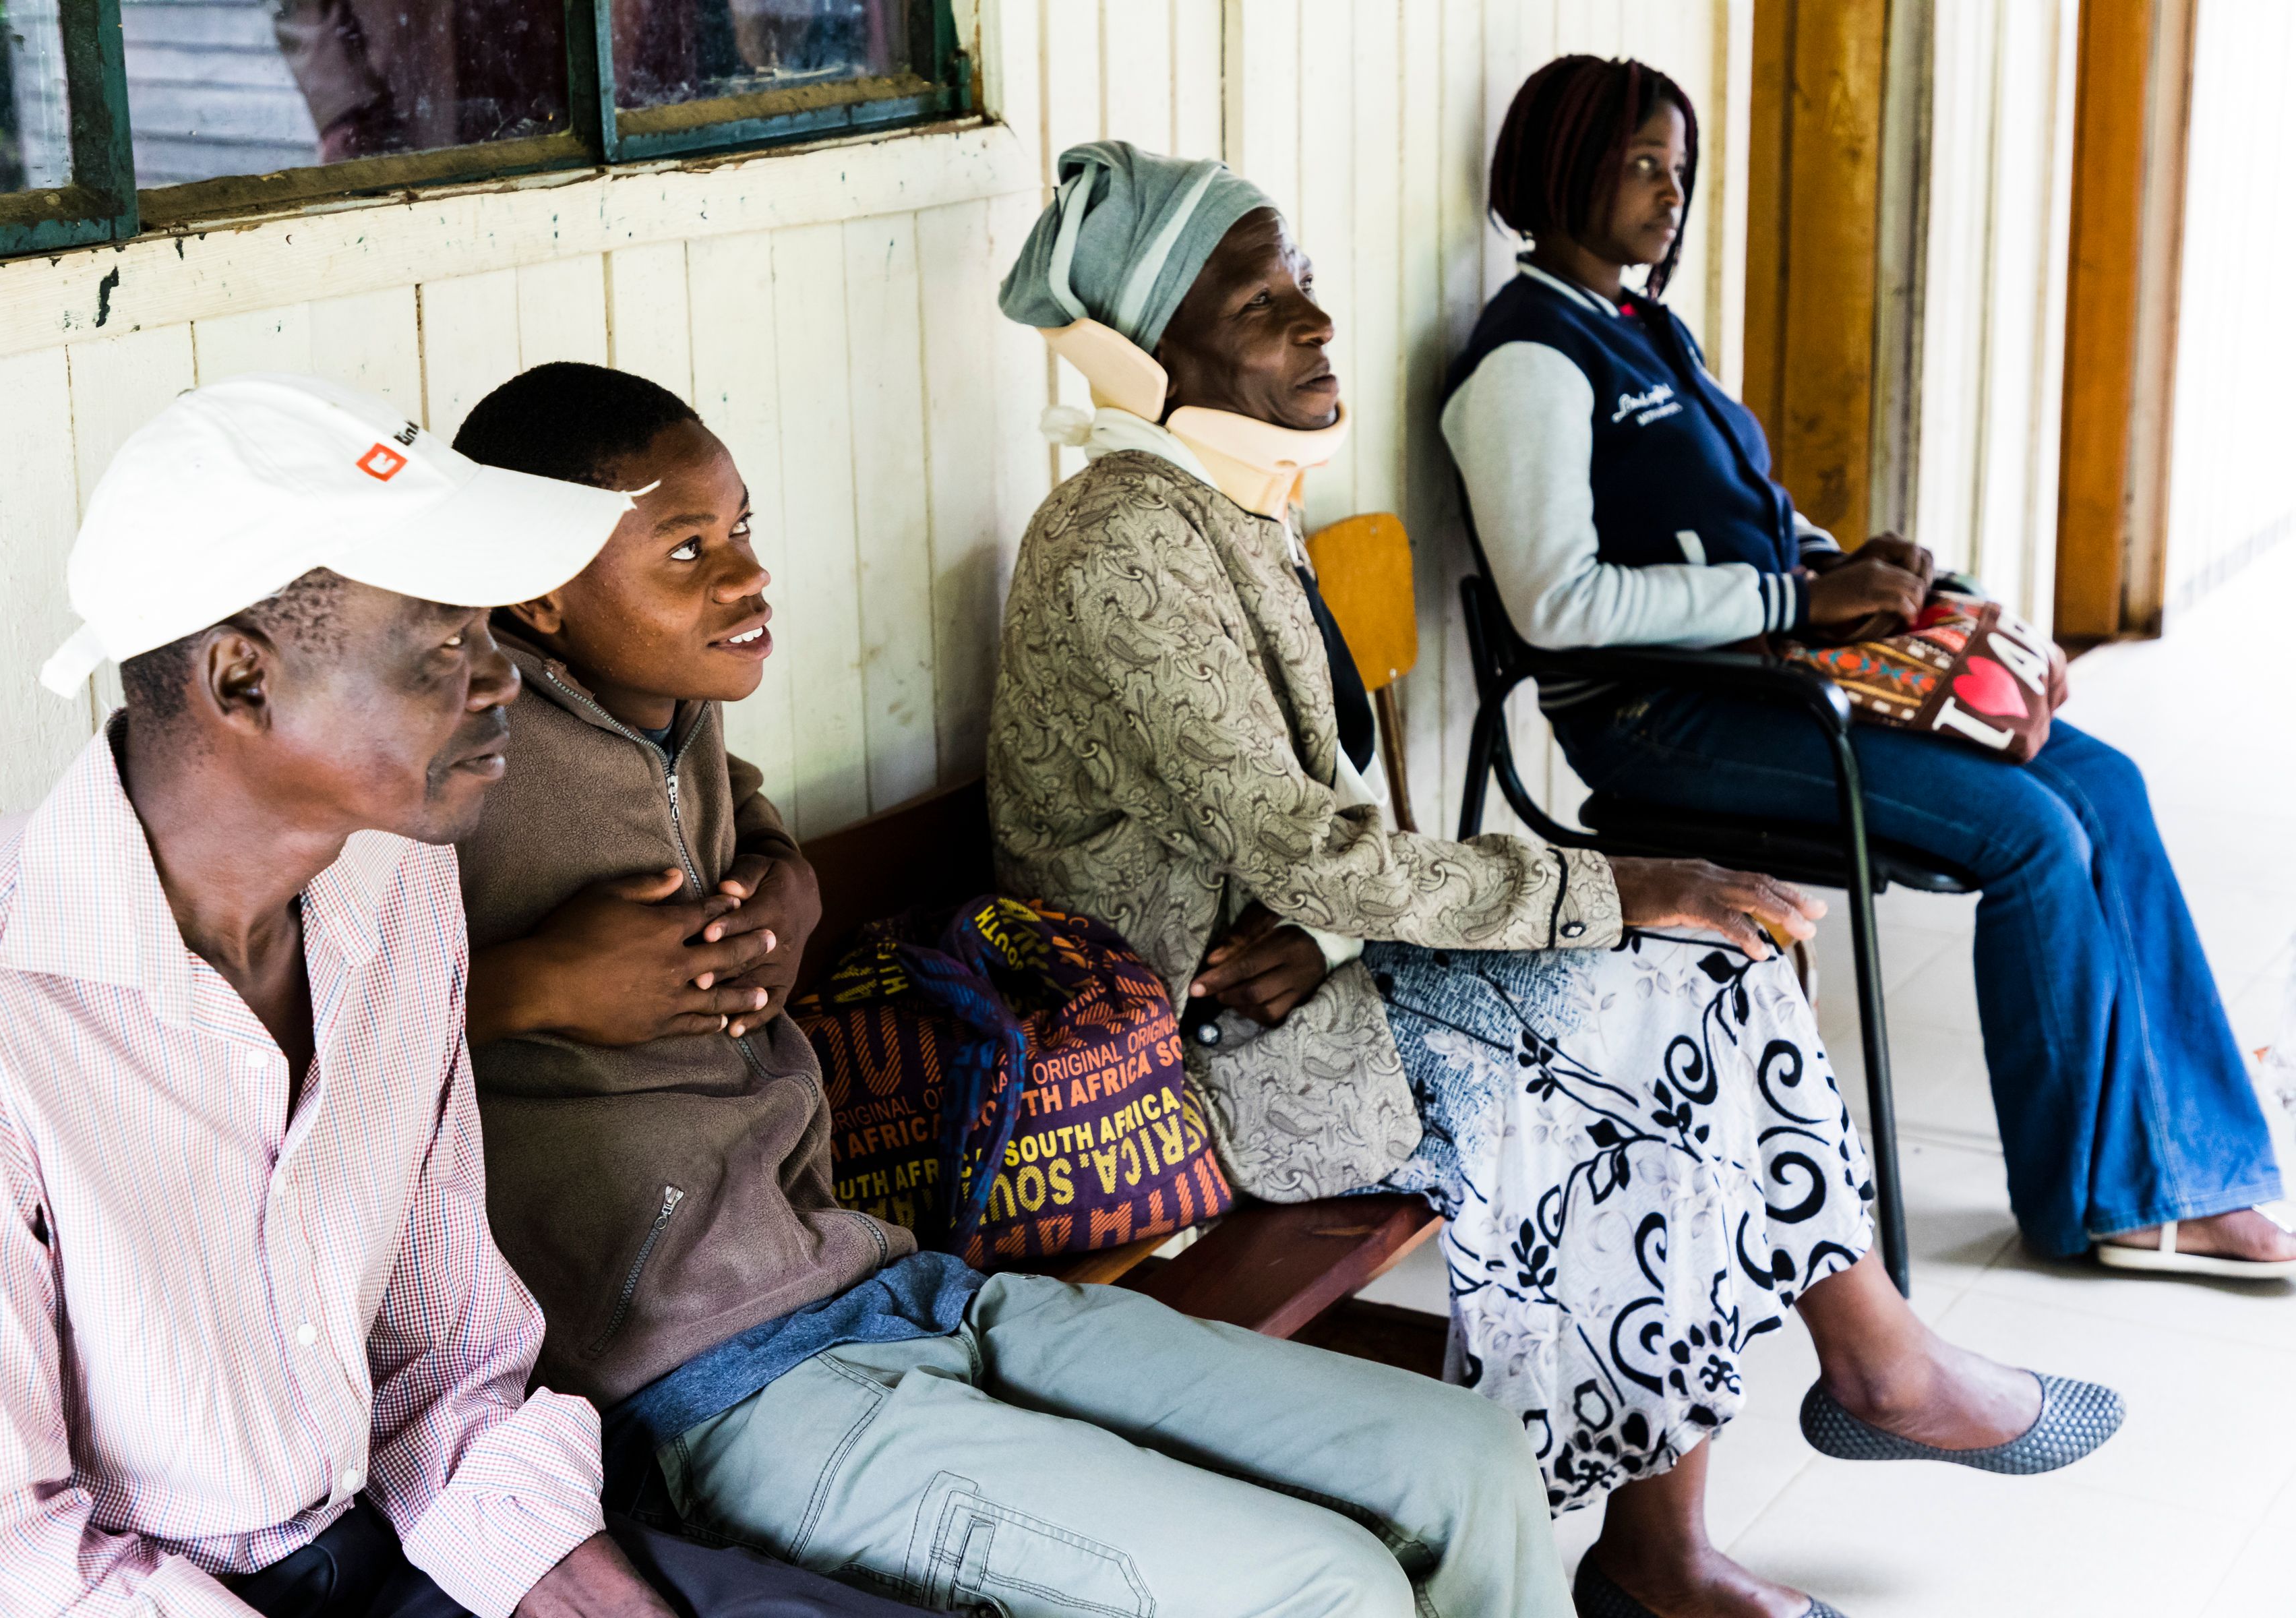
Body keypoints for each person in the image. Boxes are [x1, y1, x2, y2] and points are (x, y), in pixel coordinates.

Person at [990, 141, 2122, 1618]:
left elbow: (1302, 848)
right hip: (1188, 1048)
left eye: (1307, 284)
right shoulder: (1126, 540)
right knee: (1653, 1014)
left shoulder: (1216, 504)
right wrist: (1602, 882)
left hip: (1303, 973)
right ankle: (1776, 1449)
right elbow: (1303, 847)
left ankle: (1774, 1449)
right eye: (1262, 305)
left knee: (1717, 968)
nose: (1317, 325)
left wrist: (1343, 926)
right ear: (1138, 354)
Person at [445, 359, 1578, 1618]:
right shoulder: (449, 774)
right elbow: (299, 1039)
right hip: (715, 1395)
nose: (747, 574)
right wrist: (537, 985)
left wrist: (787, 883)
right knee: (1329, 1588)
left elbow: (745, 807)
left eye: (744, 528)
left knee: (1468, 1459)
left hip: (899, 1287)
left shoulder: (669, 703)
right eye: (687, 549)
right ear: (540, 593)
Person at [0, 373, 925, 1618]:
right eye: (442, 648)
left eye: (489, 635)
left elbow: (447, 1367)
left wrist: (586, 1595)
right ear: (241, 681)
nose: (500, 684)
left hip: (393, 1546)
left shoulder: (398, 890)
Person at [1440, 55, 2291, 1280]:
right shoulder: (1527, 361)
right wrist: (1801, 598)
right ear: (1555, 166)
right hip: (1658, 714)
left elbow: (1739, 521)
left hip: (1768, 677)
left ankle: (2193, 1172)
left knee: (2102, 785)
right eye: (1639, 166)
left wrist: (1866, 576)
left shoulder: (1640, 328)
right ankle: (2095, 1201)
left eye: (1678, 170)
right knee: (2032, 835)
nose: (1668, 193)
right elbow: (1557, 604)